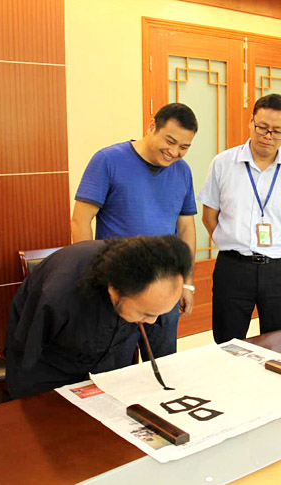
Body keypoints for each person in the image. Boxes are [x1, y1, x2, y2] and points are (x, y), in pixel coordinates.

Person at [70, 103, 198, 360]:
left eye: (184, 147)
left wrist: (186, 282)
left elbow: (186, 228)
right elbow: (80, 220)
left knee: (164, 362)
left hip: (165, 285)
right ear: (152, 127)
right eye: (170, 141)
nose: (174, 152)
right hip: (120, 285)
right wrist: (94, 277)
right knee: (115, 366)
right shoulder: (108, 160)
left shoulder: (183, 171)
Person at [4, 235, 192, 399]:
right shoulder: (60, 292)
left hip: (99, 361)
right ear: (114, 291)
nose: (152, 322)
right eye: (146, 314)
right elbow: (28, 355)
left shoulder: (140, 268)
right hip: (50, 368)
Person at [198, 94, 281, 344]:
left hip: (278, 270)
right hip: (233, 267)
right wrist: (232, 240)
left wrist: (276, 246)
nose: (268, 136)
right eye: (262, 127)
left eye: (277, 131)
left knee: (280, 343)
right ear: (251, 122)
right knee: (228, 342)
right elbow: (209, 216)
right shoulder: (223, 163)